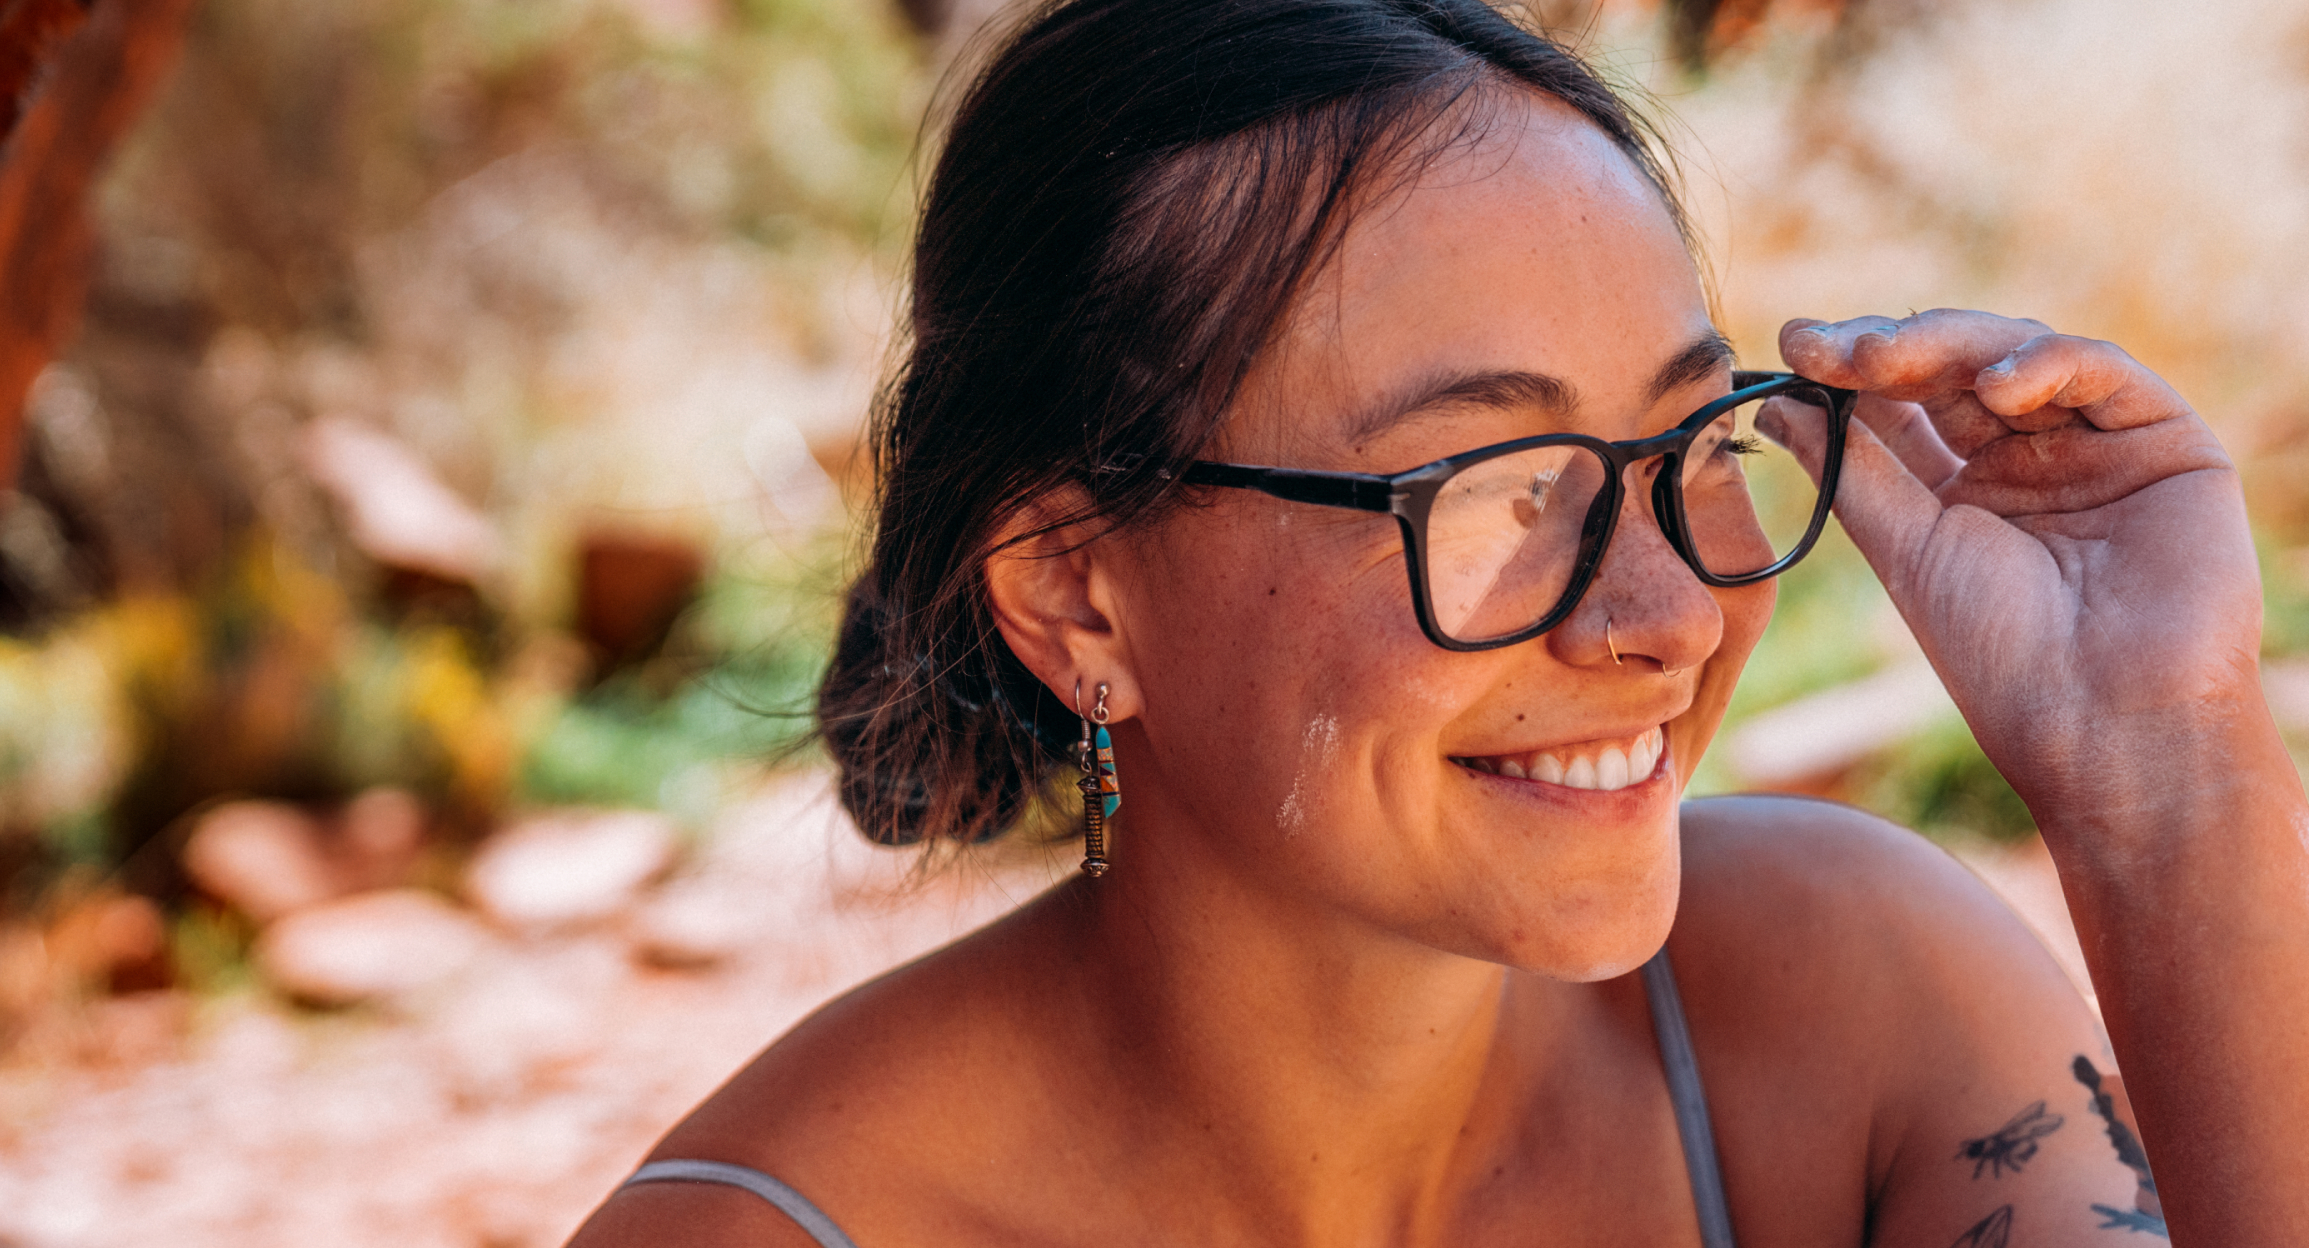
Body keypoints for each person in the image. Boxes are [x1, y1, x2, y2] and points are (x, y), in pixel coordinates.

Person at [569, 0, 2309, 1243]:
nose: (1664, 612)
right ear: (1074, 594)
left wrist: (2166, 776)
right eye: (1493, 481)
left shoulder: (1849, 1014)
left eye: (1685, 440)